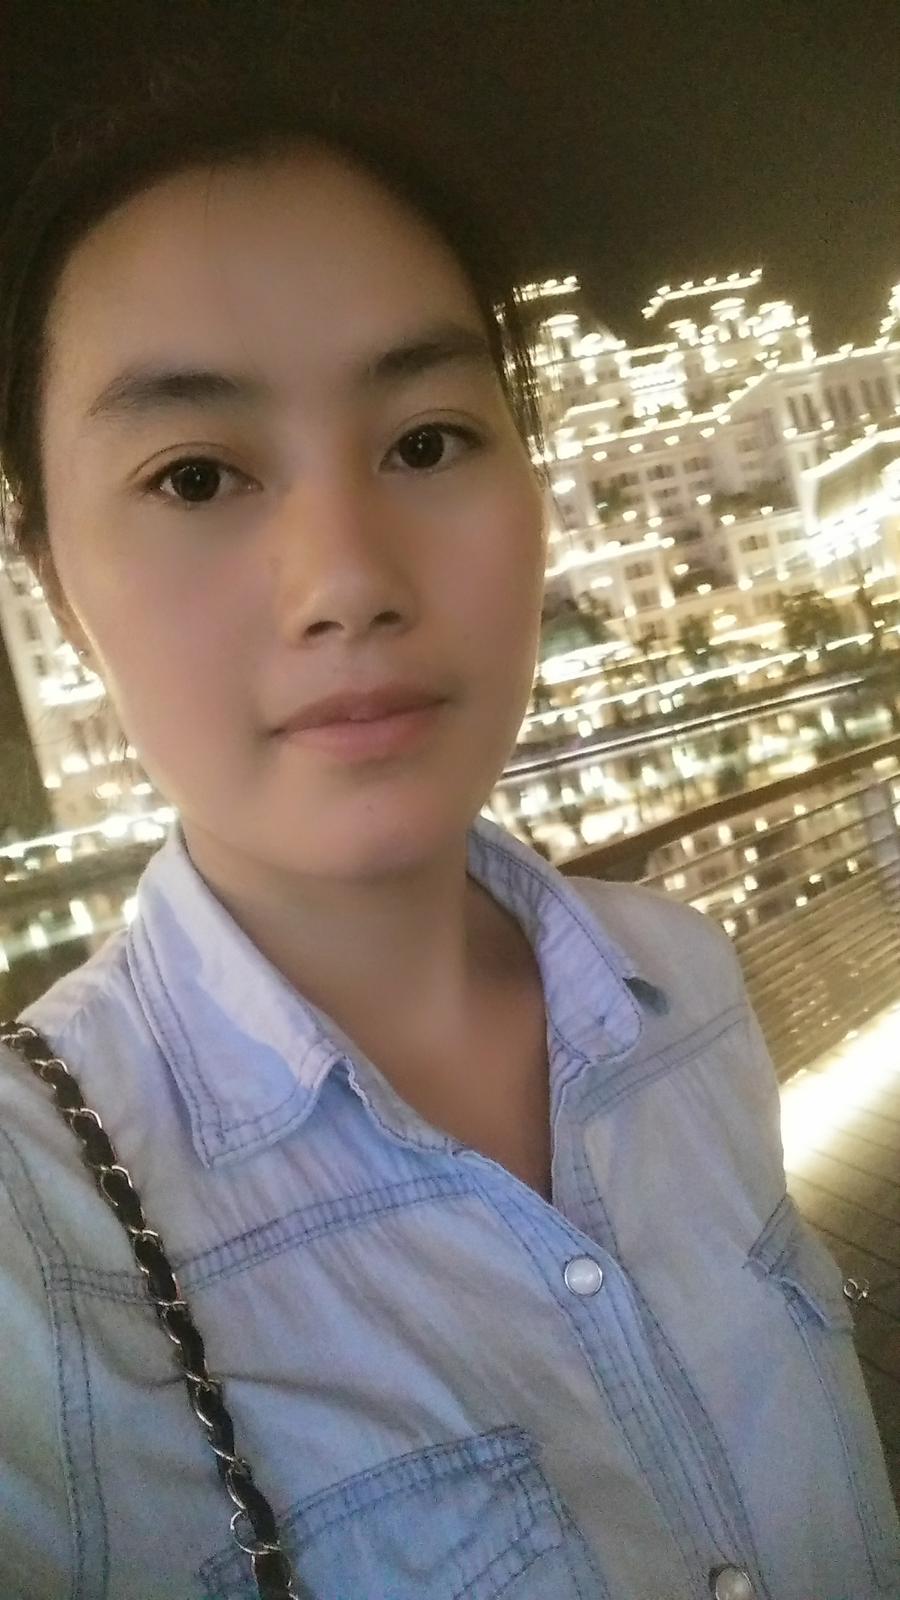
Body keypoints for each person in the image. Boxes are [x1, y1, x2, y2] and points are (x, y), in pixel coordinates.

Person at [0, 64, 897, 1600]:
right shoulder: (38, 1238)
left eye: (425, 442)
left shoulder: (685, 986)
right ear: (56, 588)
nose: (348, 578)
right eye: (195, 476)